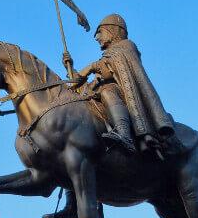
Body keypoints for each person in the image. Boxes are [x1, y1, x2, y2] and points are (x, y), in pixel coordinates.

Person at [74, 13, 175, 155]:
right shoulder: (108, 55)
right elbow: (93, 82)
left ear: (112, 30)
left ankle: (124, 135)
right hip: (109, 91)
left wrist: (92, 67)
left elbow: (111, 68)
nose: (97, 37)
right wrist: (72, 71)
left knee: (107, 90)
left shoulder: (126, 46)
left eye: (100, 32)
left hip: (126, 94)